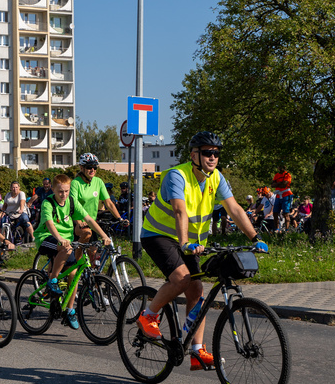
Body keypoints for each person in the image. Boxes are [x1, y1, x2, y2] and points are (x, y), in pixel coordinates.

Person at [137, 132, 268, 371]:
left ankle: (197, 351)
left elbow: (235, 209)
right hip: (159, 235)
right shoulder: (177, 176)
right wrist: (185, 242)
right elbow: (179, 211)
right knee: (181, 279)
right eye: (207, 152)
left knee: (197, 290)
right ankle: (148, 314)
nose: (213, 157)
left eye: (216, 153)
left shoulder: (216, 178)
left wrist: (255, 237)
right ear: (194, 155)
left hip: (190, 241)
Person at [33, 174, 111, 330]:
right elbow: (49, 224)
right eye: (60, 192)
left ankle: (70, 310)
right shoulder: (48, 203)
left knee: (74, 273)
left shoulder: (71, 202)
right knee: (67, 248)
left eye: (67, 191)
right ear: (53, 190)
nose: (64, 195)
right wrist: (60, 238)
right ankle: (53, 280)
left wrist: (103, 235)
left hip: (65, 241)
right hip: (46, 238)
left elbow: (88, 219)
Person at [70, 153, 125, 266]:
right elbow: (73, 205)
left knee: (94, 255)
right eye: (89, 167)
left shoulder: (98, 182)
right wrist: (79, 222)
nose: (93, 170)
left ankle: (93, 281)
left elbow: (109, 203)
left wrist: (120, 218)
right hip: (77, 222)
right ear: (82, 168)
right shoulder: (76, 183)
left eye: (95, 167)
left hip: (92, 222)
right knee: (86, 234)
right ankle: (74, 264)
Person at [271, 164, 293, 231]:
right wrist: (280, 183)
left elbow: (284, 184)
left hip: (286, 195)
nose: (281, 168)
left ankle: (287, 229)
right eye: (279, 166)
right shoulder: (276, 175)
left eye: (282, 167)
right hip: (278, 195)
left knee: (285, 213)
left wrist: (277, 184)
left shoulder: (287, 175)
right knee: (275, 213)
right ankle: (277, 229)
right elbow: (272, 185)